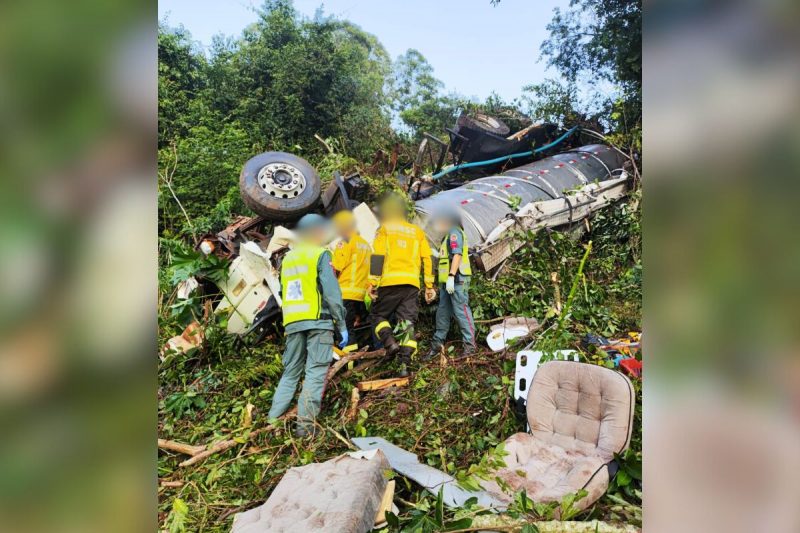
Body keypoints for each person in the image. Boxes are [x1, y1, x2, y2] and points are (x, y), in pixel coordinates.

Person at [268, 213, 348, 437]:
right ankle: (305, 430)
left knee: (290, 373)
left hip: (292, 323)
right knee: (315, 372)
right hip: (318, 321)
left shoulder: (288, 259)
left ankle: (272, 423)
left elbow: (283, 292)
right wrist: (341, 323)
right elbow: (331, 293)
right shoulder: (321, 254)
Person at [368, 194, 435, 376]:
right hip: (411, 284)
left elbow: (377, 257)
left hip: (389, 281)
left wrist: (372, 282)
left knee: (377, 315)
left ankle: (390, 343)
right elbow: (427, 259)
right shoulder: (418, 232)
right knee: (406, 323)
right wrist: (429, 285)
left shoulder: (385, 229)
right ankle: (404, 365)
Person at [424, 207, 477, 360]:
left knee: (461, 311)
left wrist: (452, 276)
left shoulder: (454, 232)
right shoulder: (447, 236)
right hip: (448, 282)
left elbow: (457, 255)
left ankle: (470, 347)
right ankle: (436, 346)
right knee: (442, 313)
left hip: (457, 279)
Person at [330, 209, 372, 348]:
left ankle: (350, 363)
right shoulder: (366, 245)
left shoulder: (345, 242)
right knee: (351, 329)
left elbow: (336, 268)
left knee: (344, 330)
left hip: (345, 293)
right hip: (359, 295)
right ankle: (353, 359)